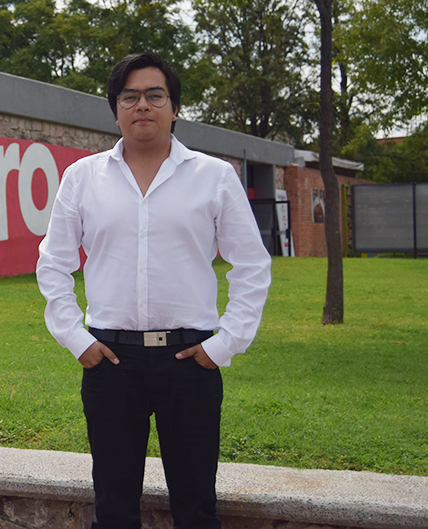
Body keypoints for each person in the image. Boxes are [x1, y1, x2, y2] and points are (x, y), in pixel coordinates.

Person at [36, 53, 271, 529]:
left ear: (174, 107)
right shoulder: (82, 178)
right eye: (129, 97)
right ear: (116, 110)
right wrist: (76, 339)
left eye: (154, 95)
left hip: (190, 361)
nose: (142, 105)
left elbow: (251, 264)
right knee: (114, 507)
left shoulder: (214, 176)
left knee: (196, 506)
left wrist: (225, 344)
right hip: (109, 361)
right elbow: (54, 263)